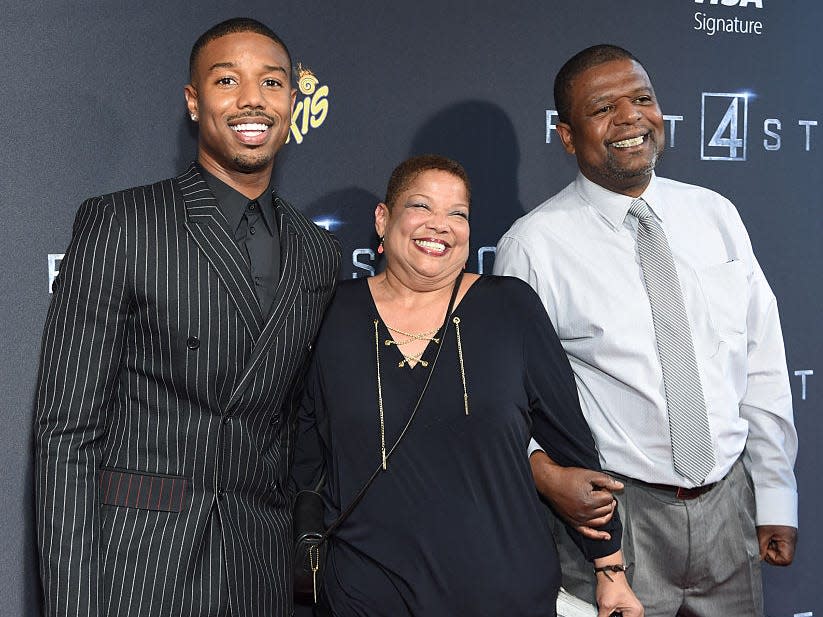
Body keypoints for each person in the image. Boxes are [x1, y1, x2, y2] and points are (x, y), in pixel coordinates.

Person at [33, 17, 340, 617]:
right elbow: (66, 435)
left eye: (272, 83)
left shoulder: (317, 251)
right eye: (228, 80)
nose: (253, 99)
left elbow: (298, 431)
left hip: (258, 572)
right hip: (136, 567)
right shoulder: (123, 223)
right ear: (194, 102)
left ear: (293, 101)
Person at [494, 44, 798, 616]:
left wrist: (776, 493)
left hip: (730, 507)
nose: (631, 118)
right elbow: (506, 399)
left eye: (642, 99)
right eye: (604, 108)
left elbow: (762, 360)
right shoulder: (533, 247)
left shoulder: (717, 215)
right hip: (614, 523)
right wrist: (549, 475)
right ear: (565, 136)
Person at [292, 154, 642, 617]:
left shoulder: (510, 309)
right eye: (421, 207)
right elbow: (302, 456)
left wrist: (610, 571)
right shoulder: (330, 315)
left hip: (504, 594)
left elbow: (574, 449)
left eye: (457, 213)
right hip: (366, 596)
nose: (440, 226)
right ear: (383, 219)